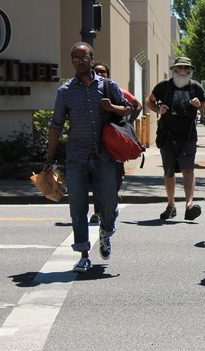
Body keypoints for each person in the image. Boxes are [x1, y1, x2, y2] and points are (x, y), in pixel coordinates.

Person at [46, 42, 133, 273]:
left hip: (104, 156)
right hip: (76, 157)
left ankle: (106, 231)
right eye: (75, 57)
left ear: (92, 59)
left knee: (109, 206)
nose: (79, 61)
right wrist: (50, 157)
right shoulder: (65, 92)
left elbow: (128, 109)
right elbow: (56, 125)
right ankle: (84, 254)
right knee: (78, 208)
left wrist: (112, 106)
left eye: (83, 57)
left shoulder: (107, 85)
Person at [145, 57, 205, 221]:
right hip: (167, 135)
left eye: (186, 69)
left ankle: (189, 204)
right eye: (179, 68)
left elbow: (204, 103)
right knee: (169, 171)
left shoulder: (195, 87)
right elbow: (149, 101)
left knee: (188, 169)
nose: (183, 71)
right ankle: (171, 205)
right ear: (174, 70)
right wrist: (159, 109)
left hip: (187, 135)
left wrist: (198, 104)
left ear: (190, 71)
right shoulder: (164, 86)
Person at [89, 61, 143, 223]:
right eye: (96, 71)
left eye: (103, 72)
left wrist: (127, 123)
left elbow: (137, 106)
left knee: (116, 174)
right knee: (97, 178)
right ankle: (98, 211)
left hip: (114, 139)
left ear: (108, 75)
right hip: (97, 141)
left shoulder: (117, 91)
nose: (100, 74)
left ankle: (111, 200)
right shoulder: (88, 92)